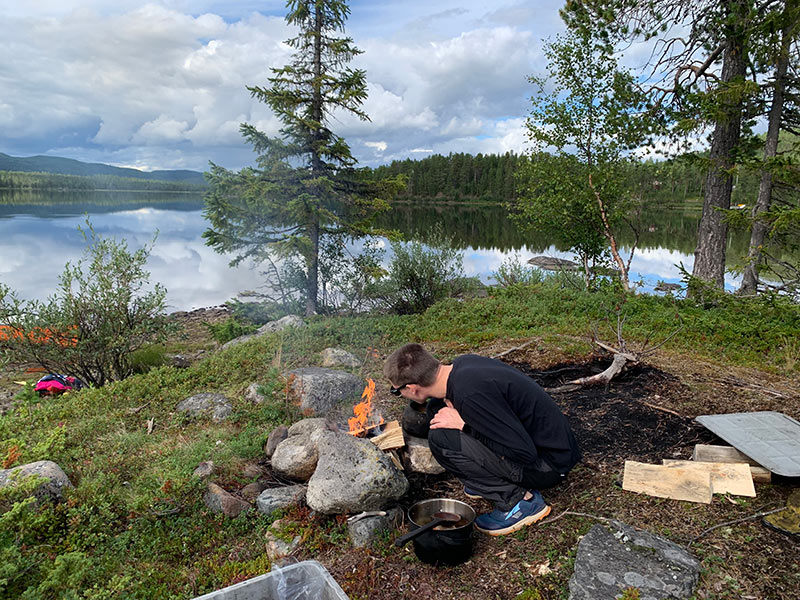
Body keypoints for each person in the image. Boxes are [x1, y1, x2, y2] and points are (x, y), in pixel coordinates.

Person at [384, 343, 580, 536]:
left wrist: (465, 425)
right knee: (436, 409)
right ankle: (485, 480)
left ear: (412, 388)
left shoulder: (469, 396)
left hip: (549, 465)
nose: (399, 395)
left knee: (442, 439)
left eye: (397, 391)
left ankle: (519, 501)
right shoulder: (462, 365)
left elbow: (523, 452)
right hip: (548, 444)